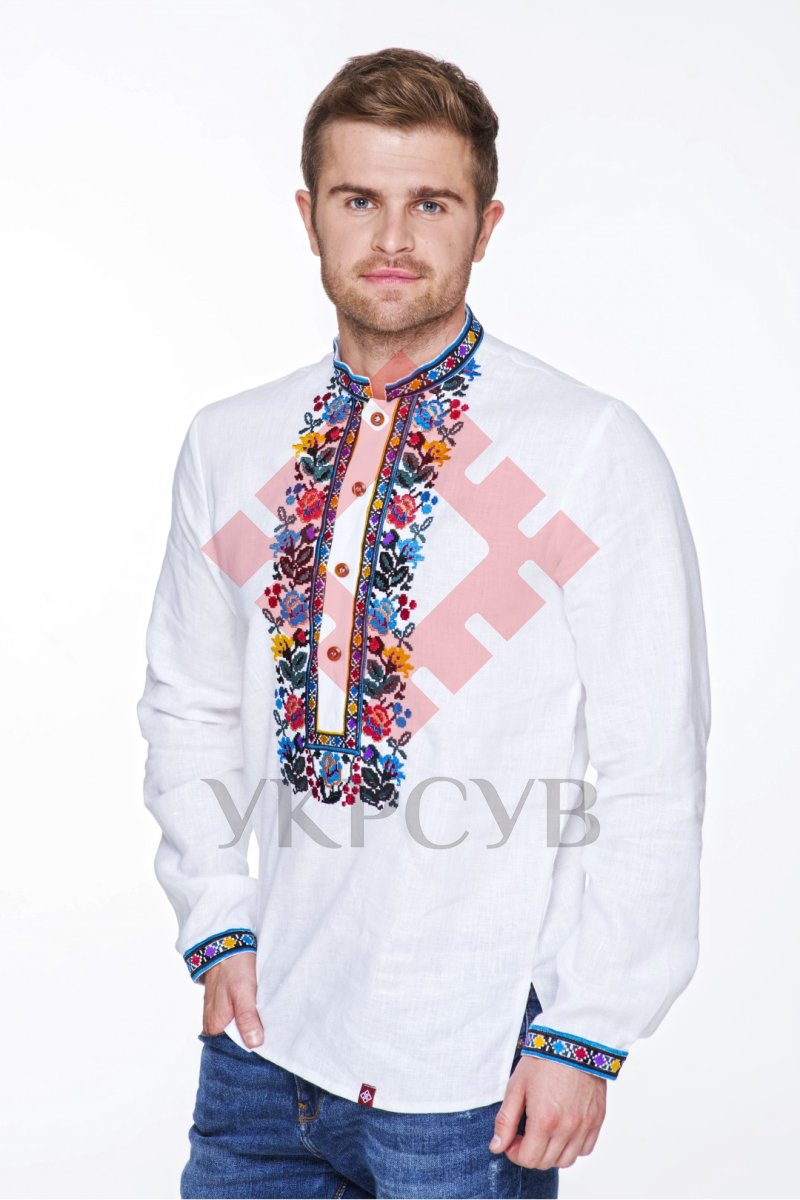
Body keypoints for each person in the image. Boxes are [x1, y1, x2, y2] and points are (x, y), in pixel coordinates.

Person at [137, 46, 711, 1200]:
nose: (392, 237)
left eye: (430, 204)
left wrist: (583, 1032)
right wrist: (217, 924)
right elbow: (185, 704)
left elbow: (652, 764)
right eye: (358, 199)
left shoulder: (586, 447)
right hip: (261, 1048)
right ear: (308, 215)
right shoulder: (229, 442)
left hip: (465, 1069)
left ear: (484, 225)